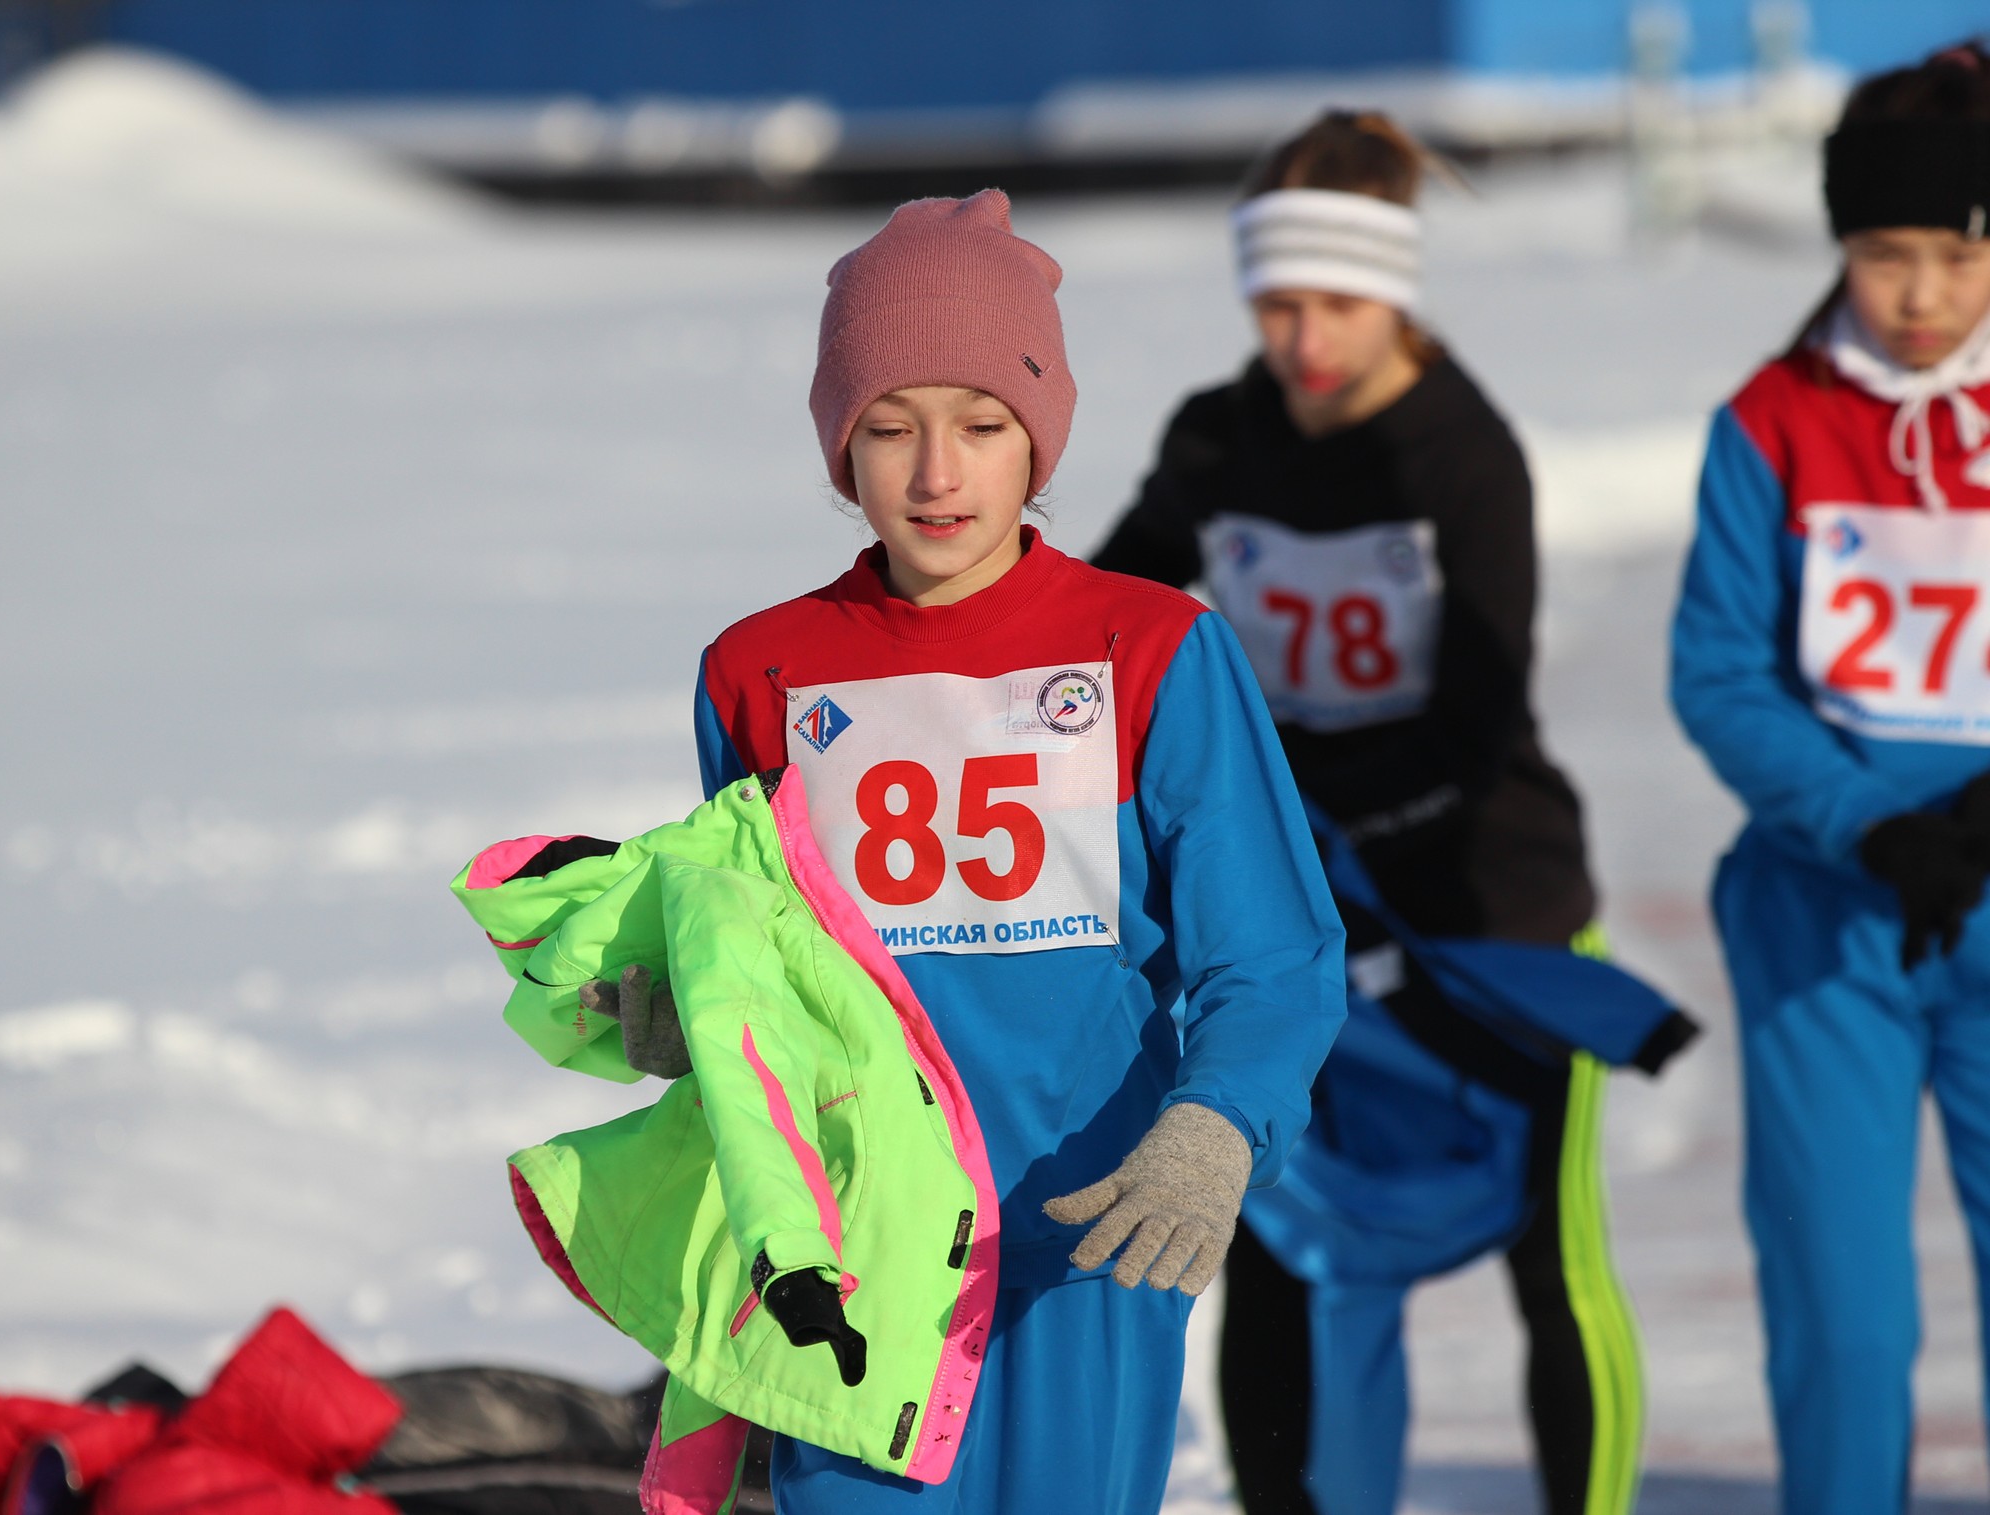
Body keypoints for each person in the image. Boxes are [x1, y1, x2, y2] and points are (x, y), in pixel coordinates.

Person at [691, 189, 1346, 1512]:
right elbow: (739, 953)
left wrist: (1217, 1123)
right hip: (855, 1254)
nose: (938, 476)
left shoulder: (1154, 649)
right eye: (889, 430)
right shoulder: (755, 671)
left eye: (984, 427)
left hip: (1087, 1227)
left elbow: (1273, 952)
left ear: (1038, 439)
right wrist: (663, 999)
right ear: (839, 448)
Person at [1094, 111, 1656, 1515]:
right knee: (1281, 1247)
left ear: (1395, 290)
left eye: (1337, 303)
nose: (1305, 338)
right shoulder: (1218, 443)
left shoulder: (1461, 455)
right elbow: (1110, 630)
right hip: (1297, 923)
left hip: (1491, 912)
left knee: (1552, 1259)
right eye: (1277, 304)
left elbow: (1481, 714)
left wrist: (1298, 832)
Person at [1670, 41, 1990, 1515]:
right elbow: (1721, 674)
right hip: (1829, 922)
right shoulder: (1771, 422)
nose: (1917, 293)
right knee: (1845, 1319)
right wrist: (1868, 823)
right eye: (1881, 253)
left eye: (1953, 252)